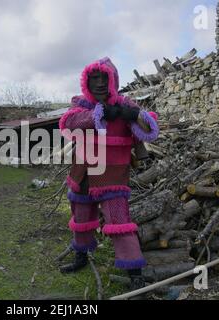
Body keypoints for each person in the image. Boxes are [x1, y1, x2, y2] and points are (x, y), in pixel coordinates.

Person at [58, 57, 159, 290]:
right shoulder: (81, 104)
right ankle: (80, 257)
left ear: (113, 80)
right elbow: (69, 123)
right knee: (81, 218)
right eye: (94, 79)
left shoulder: (126, 104)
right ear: (87, 82)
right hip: (83, 171)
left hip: (113, 175)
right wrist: (99, 113)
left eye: (105, 78)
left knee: (120, 221)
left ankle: (134, 272)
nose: (100, 83)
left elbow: (150, 128)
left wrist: (130, 115)